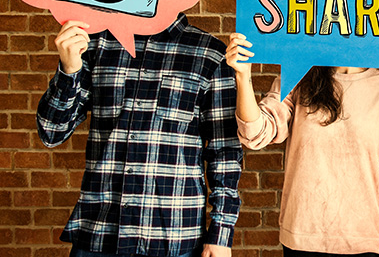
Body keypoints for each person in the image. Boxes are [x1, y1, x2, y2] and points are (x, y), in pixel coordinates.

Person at [37, 16, 242, 257]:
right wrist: (69, 70)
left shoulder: (210, 54)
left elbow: (224, 152)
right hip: (101, 233)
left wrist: (221, 233)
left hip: (173, 238)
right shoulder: (95, 44)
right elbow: (51, 132)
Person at [225, 33, 379, 257]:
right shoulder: (299, 77)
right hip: (303, 236)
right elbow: (255, 134)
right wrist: (243, 77)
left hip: (365, 238)